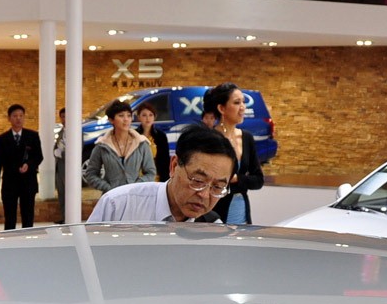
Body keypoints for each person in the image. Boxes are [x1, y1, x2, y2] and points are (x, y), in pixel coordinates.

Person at [87, 124, 235, 223]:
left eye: (217, 187)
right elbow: (87, 255)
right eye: (198, 181)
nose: (204, 195)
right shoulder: (119, 205)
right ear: (174, 166)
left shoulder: (212, 226)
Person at [203, 83, 264, 224]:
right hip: (214, 212)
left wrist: (236, 178)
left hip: (241, 210)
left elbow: (258, 180)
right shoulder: (210, 138)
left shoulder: (247, 137)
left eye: (243, 102)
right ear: (221, 108)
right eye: (237, 103)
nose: (242, 107)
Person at [0, 104, 43, 229]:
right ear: (9, 118)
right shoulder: (2, 139)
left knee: (28, 216)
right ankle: (10, 239)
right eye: (15, 116)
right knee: (10, 218)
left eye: (21, 116)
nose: (18, 119)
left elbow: (39, 157)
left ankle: (28, 238)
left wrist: (28, 165)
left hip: (28, 182)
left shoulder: (32, 136)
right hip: (10, 182)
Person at [84, 100, 154, 193]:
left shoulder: (141, 143)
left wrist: (135, 187)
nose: (126, 119)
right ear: (111, 120)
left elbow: (150, 173)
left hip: (135, 196)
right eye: (121, 116)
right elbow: (90, 174)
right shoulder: (102, 145)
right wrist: (108, 188)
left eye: (129, 116)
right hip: (111, 196)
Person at [135, 102, 170, 182]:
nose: (148, 118)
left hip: (156, 177)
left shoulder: (161, 136)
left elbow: (165, 161)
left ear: (154, 117)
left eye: (151, 115)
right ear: (138, 117)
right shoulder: (133, 135)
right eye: (144, 115)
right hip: (137, 178)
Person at [53, 107, 66, 223]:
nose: (64, 119)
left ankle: (69, 217)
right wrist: (55, 152)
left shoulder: (76, 131)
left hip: (68, 167)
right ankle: (63, 217)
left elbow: (78, 150)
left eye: (66, 116)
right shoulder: (61, 131)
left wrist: (62, 154)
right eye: (62, 117)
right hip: (59, 166)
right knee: (61, 193)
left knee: (69, 194)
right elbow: (56, 146)